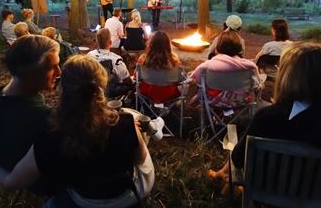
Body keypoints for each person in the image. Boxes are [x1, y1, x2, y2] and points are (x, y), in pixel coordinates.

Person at [0, 55, 154, 207]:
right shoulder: (126, 123)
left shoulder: (50, 136)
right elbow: (140, 160)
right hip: (127, 198)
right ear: (102, 86)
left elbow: (12, 181)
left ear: (63, 89)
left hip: (82, 202)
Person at [208, 42, 321, 189]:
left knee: (237, 137)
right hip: (313, 194)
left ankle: (222, 176)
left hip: (266, 192)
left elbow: (238, 158)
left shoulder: (268, 118)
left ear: (287, 76)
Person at [0, 35, 61, 193]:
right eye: (53, 67)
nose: (59, 72)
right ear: (31, 72)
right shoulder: (44, 118)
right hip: (43, 184)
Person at [191, 31, 264, 107]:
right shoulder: (249, 66)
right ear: (238, 46)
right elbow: (256, 85)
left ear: (218, 46)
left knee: (202, 87)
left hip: (213, 101)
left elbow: (197, 80)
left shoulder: (207, 66)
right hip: (241, 101)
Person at [136, 30, 183, 103]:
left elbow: (136, 77)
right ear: (168, 45)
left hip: (148, 93)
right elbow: (181, 79)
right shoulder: (175, 61)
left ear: (151, 44)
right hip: (169, 94)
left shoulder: (142, 59)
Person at [88, 29, 133, 98]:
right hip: (109, 92)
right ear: (110, 42)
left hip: (93, 90)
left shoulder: (89, 56)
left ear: (96, 42)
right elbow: (127, 80)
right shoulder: (116, 59)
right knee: (131, 85)